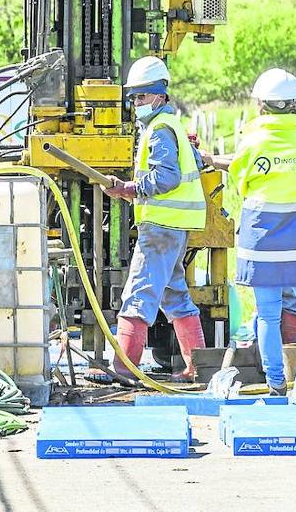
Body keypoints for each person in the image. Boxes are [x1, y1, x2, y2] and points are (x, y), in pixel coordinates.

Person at [202, 68, 296, 402]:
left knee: (267, 315)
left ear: (262, 106)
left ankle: (275, 385)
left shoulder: (252, 141)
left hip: (263, 237)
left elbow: (242, 177)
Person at [104, 56, 207, 383]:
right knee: (174, 295)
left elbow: (167, 177)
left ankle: (125, 368)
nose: (137, 103)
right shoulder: (168, 125)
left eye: (143, 97)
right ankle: (197, 367)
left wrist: (129, 189)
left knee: (139, 292)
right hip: (173, 226)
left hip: (161, 226)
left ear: (161, 95)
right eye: (134, 98)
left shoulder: (160, 130)